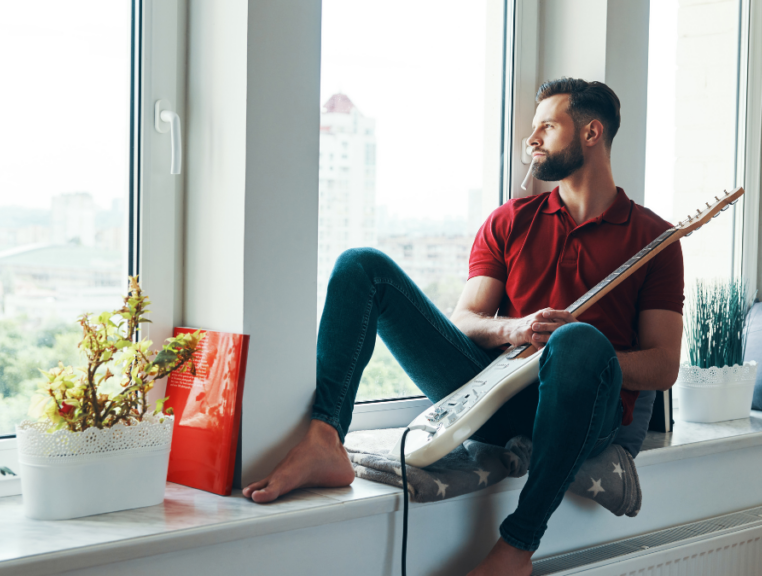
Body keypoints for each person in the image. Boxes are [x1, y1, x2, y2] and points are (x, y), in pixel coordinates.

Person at [242, 78, 684, 576]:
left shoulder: (656, 239)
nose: (532, 139)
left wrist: (587, 354)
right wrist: (515, 330)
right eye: (532, 129)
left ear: (591, 133)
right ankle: (326, 438)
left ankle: (517, 546)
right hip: (497, 399)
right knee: (360, 265)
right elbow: (467, 321)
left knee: (577, 341)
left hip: (584, 416)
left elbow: (664, 365)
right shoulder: (510, 220)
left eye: (548, 126)